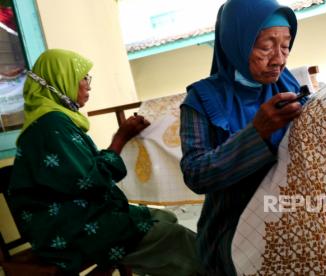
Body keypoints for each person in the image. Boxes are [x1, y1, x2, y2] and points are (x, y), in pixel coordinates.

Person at [8, 49, 201, 275]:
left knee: (165, 217)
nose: (88, 85)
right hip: (67, 228)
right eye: (83, 78)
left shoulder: (56, 121)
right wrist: (120, 138)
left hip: (76, 214)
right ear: (62, 80)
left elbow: (80, 172)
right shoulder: (51, 125)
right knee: (176, 238)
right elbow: (90, 181)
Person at [179, 0, 307, 274]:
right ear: (236, 42)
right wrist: (256, 132)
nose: (279, 59)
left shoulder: (287, 85)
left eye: (285, 46)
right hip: (233, 228)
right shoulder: (201, 99)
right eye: (265, 47)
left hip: (291, 217)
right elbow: (195, 174)